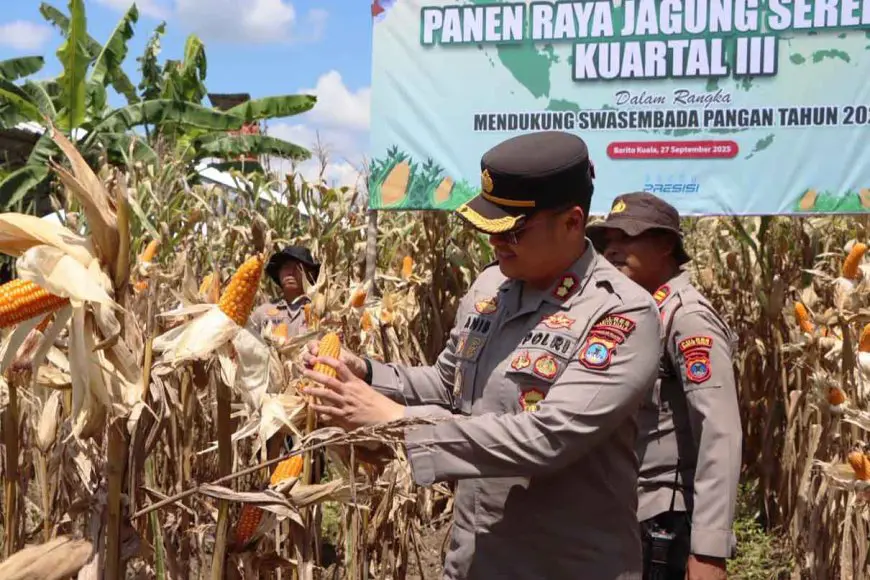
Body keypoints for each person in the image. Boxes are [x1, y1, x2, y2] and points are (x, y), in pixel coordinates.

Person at [302, 131, 664, 579]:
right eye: (488, 230)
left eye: (512, 231)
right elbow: (448, 383)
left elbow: (547, 437)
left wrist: (396, 421)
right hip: (476, 561)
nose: (496, 244)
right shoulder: (490, 289)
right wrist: (367, 372)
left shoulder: (620, 312)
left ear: (572, 223)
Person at [586, 192, 742, 580]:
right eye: (607, 241)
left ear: (666, 244)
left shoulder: (688, 319)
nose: (613, 249)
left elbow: (719, 432)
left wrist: (709, 550)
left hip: (664, 522)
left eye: (627, 237)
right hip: (626, 511)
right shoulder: (637, 311)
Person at [250, 245, 320, 336]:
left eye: (298, 267)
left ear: (310, 275)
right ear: (279, 274)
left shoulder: (319, 311)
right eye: (286, 267)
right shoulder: (262, 312)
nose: (291, 272)